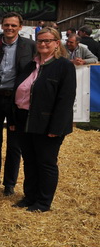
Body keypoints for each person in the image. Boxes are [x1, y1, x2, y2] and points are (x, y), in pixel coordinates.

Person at [10, 27, 76, 212]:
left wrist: (57, 126)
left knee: (46, 162)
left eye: (48, 41)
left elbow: (66, 99)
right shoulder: (31, 65)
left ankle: (43, 202)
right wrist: (14, 119)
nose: (43, 44)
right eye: (40, 41)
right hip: (25, 118)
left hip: (46, 122)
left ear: (57, 43)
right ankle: (30, 196)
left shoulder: (64, 66)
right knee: (29, 160)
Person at [0, 12, 36, 197]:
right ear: (1, 26)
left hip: (16, 101)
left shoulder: (30, 46)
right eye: (6, 25)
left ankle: (9, 184)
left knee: (14, 146)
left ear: (20, 27)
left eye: (13, 25)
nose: (10, 28)